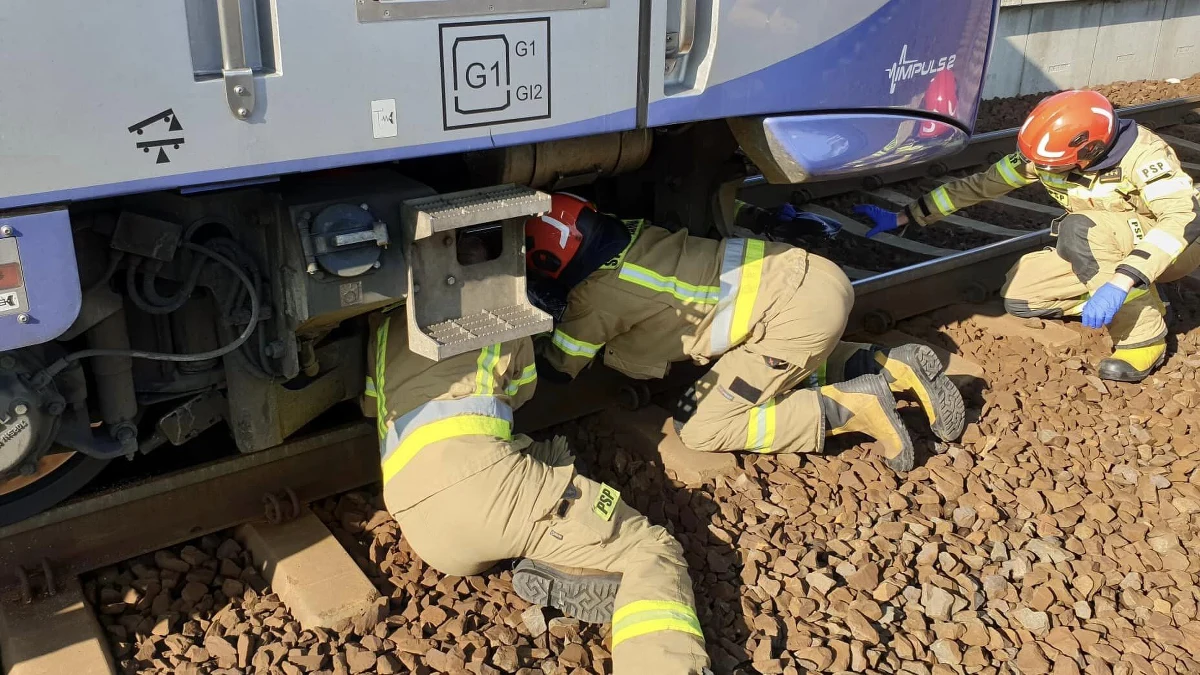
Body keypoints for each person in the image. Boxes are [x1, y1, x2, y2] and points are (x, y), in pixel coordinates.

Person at [523, 193, 966, 474]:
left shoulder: (594, 301)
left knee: (699, 426)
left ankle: (853, 407)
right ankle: (891, 366)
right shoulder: (638, 231)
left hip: (792, 322)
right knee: (781, 355)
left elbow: (560, 369)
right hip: (812, 277)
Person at [364, 313, 709, 673]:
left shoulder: (383, 327)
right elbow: (525, 390)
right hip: (491, 493)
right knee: (650, 548)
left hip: (420, 525)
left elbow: (372, 406)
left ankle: (554, 549)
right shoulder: (498, 300)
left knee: (545, 459)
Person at [854, 90, 1200, 382]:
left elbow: (1182, 221)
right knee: (1022, 297)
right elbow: (982, 185)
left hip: (1171, 248)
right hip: (1108, 244)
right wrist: (908, 215)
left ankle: (1143, 337)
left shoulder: (1146, 156)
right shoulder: (1045, 158)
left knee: (1079, 228)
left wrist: (1122, 282)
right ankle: (1137, 293)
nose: (1036, 169)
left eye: (1047, 166)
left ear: (1089, 151)